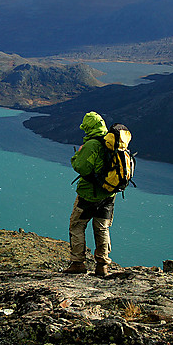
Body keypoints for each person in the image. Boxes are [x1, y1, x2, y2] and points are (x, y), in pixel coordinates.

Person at [63, 111, 116, 277]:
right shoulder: (112, 142)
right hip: (108, 194)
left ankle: (78, 263)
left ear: (88, 127)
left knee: (77, 225)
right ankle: (102, 266)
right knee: (102, 228)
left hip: (88, 194)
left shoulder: (92, 144)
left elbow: (81, 167)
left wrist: (77, 155)